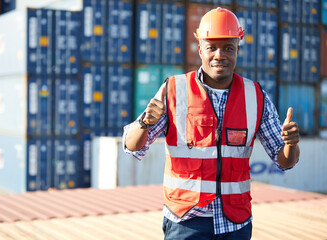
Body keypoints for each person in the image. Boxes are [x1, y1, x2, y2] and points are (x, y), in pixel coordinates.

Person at [123, 7, 300, 240]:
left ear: (238, 48)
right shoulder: (174, 91)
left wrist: (291, 144)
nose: (220, 55)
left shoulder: (255, 96)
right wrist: (145, 122)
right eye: (212, 48)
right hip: (186, 221)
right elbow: (132, 146)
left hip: (236, 223)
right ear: (200, 49)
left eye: (228, 47)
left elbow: (285, 161)